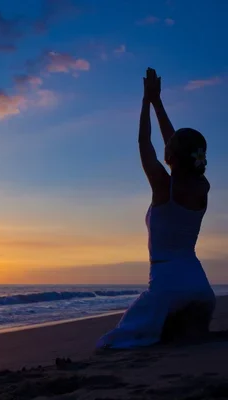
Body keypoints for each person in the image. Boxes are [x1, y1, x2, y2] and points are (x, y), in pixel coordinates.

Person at [96, 68, 216, 349]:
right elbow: (174, 144)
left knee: (109, 343)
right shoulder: (202, 186)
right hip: (200, 288)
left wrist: (146, 101)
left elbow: (144, 142)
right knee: (174, 335)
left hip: (167, 289)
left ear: (171, 155)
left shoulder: (164, 186)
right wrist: (157, 102)